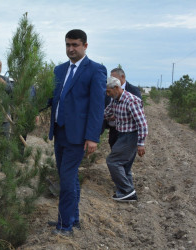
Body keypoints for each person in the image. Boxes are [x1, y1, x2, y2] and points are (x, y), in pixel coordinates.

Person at [47, 29, 107, 236]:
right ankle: (73, 218)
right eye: (67, 45)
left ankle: (64, 226)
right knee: (69, 178)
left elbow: (97, 107)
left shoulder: (95, 70)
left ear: (85, 46)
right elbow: (55, 97)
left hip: (78, 136)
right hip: (60, 132)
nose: (70, 49)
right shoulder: (59, 70)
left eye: (75, 45)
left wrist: (92, 137)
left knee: (66, 178)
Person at [104, 76, 148, 202]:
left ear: (116, 88)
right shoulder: (115, 100)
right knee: (125, 167)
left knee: (113, 161)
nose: (107, 94)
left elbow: (142, 123)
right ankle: (126, 193)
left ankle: (128, 191)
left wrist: (141, 144)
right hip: (122, 135)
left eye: (109, 91)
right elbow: (106, 113)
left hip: (130, 136)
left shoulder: (131, 100)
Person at [102, 68, 142, 148]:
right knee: (114, 148)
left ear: (122, 76)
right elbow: (106, 108)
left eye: (114, 77)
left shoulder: (133, 91)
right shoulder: (108, 89)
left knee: (124, 156)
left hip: (128, 131)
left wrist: (117, 116)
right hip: (113, 128)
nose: (111, 79)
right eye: (110, 77)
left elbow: (139, 112)